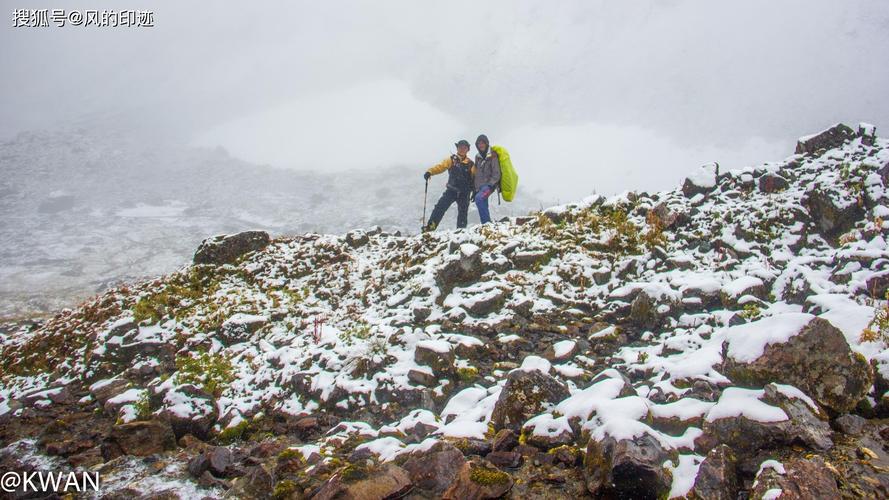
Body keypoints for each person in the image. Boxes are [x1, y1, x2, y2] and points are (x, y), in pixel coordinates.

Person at [423, 139, 475, 231]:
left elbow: (475, 178)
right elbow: (441, 167)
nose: (462, 149)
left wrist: (475, 191)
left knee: (463, 213)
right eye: (460, 147)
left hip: (465, 193)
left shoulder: (471, 164)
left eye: (464, 147)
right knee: (440, 207)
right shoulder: (451, 159)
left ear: (468, 149)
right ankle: (430, 228)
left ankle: (461, 232)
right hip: (451, 190)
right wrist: (430, 171)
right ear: (457, 148)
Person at [472, 134, 501, 224]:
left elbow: (497, 173)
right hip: (480, 186)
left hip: (489, 185)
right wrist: (475, 189)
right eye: (479, 143)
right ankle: (486, 224)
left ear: (486, 143)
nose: (481, 145)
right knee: (482, 202)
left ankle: (486, 223)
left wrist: (491, 184)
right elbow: (477, 174)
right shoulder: (478, 157)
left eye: (482, 143)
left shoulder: (493, 155)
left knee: (479, 199)